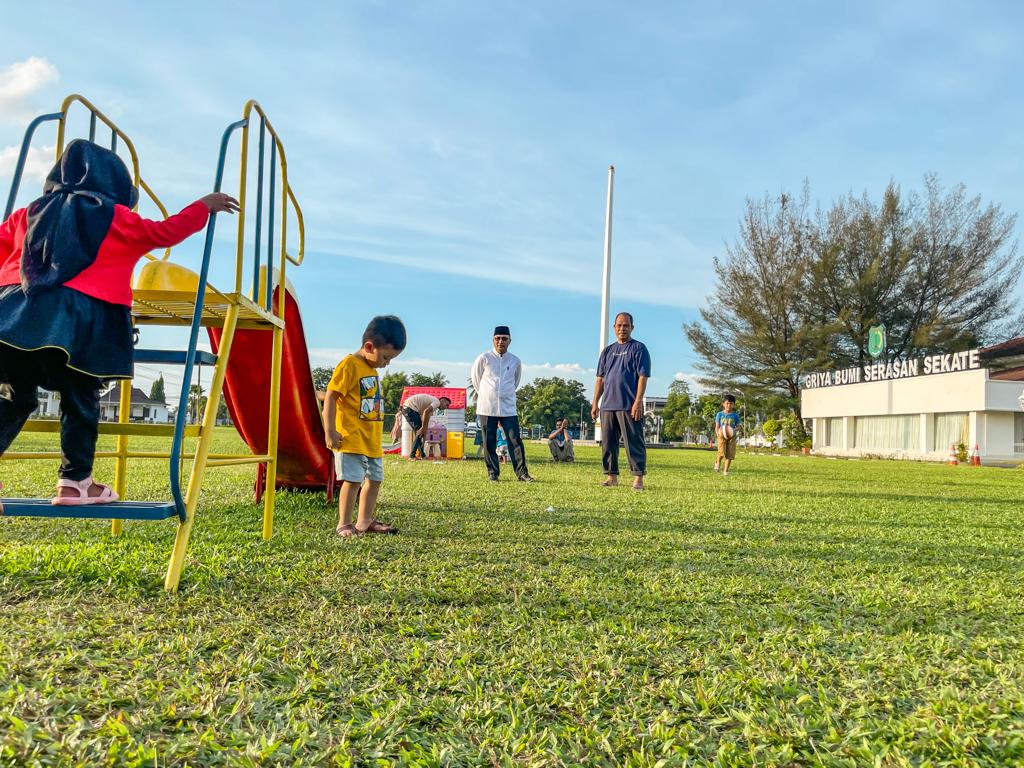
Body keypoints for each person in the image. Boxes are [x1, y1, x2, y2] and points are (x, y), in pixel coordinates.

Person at [0, 140, 238, 506]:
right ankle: (75, 483)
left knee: (18, 396)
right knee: (80, 396)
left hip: (15, 315)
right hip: (79, 322)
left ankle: (71, 481)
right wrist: (202, 207)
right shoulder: (113, 216)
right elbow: (164, 233)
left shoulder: (28, 213)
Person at [323, 315, 406, 537]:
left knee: (375, 479)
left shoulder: (371, 369)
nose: (386, 364)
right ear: (369, 347)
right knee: (353, 481)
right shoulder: (349, 365)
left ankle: (365, 521)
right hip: (351, 438)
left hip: (371, 440)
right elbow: (331, 397)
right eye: (386, 357)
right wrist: (329, 430)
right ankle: (344, 523)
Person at [591, 312, 651, 490]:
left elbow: (642, 376)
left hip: (629, 405)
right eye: (619, 325)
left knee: (634, 442)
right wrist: (595, 402)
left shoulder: (639, 348)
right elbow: (600, 379)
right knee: (608, 444)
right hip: (608, 405)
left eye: (626, 325)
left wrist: (638, 401)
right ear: (614, 328)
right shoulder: (607, 351)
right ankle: (611, 476)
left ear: (632, 327)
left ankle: (638, 478)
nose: (622, 329)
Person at [471, 325, 533, 482]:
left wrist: (504, 393)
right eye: (497, 338)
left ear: (510, 341)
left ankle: (522, 473)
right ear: (493, 340)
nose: (501, 341)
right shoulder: (484, 358)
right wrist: (489, 394)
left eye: (504, 339)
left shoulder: (515, 361)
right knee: (489, 441)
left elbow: (515, 382)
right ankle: (493, 472)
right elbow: (476, 380)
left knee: (515, 440)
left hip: (508, 408)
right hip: (487, 406)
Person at [391, 392, 450, 460]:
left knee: (419, 433)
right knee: (419, 432)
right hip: (410, 409)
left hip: (409, 409)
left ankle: (423, 455)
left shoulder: (432, 407)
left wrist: (424, 438)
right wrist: (422, 428)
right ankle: (412, 456)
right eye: (447, 405)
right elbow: (425, 412)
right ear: (442, 401)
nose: (446, 408)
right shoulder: (437, 402)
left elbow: (426, 423)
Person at [714, 394, 741, 476]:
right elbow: (717, 426)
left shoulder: (735, 415)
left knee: (730, 454)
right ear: (723, 404)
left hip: (732, 436)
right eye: (727, 403)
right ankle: (718, 463)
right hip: (721, 436)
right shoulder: (719, 414)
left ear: (733, 405)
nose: (729, 405)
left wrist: (733, 430)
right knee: (721, 452)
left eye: (731, 403)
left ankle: (726, 471)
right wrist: (718, 434)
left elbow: (739, 426)